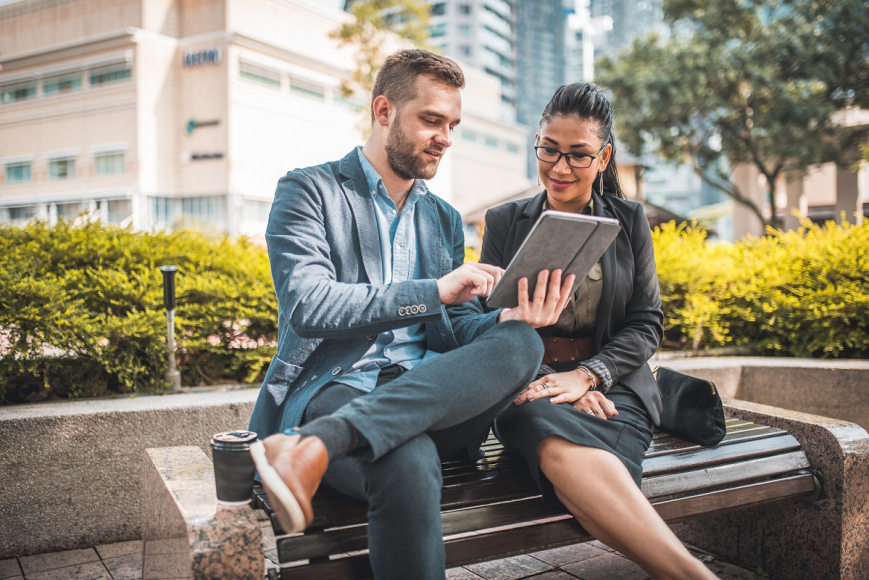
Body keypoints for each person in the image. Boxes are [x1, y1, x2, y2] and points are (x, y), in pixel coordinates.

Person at [246, 49, 575, 580]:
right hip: (337, 385)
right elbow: (308, 306)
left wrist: (508, 317)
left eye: (453, 124)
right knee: (408, 458)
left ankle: (316, 447)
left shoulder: (442, 218)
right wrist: (431, 291)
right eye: (431, 120)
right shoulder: (309, 190)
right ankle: (320, 436)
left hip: (430, 393)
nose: (445, 136)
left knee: (521, 343)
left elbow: (457, 327)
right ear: (383, 111)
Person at [479, 83, 718, 580]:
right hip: (527, 381)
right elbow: (488, 319)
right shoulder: (505, 221)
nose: (559, 168)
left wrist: (589, 376)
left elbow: (646, 321)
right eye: (549, 149)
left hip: (613, 386)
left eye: (578, 155)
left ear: (604, 156)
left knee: (560, 446)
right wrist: (550, 379)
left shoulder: (628, 220)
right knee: (539, 420)